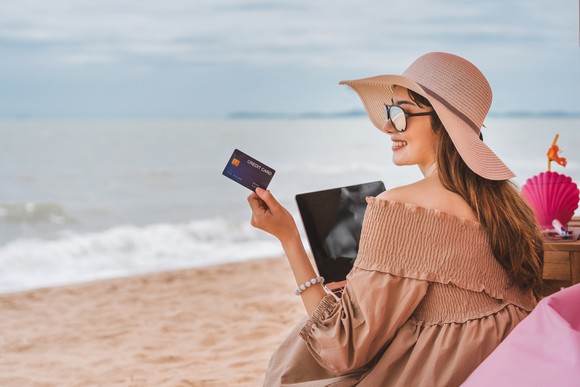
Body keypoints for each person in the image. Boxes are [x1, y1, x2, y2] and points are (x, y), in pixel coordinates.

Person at [247, 52, 543, 386]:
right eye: (390, 112)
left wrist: (288, 237)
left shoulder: (401, 207)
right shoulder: (509, 207)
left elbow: (344, 347)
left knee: (297, 358)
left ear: (442, 123)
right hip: (501, 366)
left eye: (401, 114)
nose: (388, 126)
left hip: (437, 372)